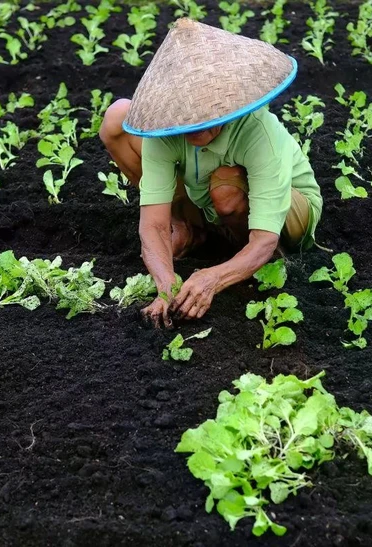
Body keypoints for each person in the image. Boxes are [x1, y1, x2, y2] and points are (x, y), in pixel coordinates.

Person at [99, 18, 322, 328]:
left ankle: (253, 264)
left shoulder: (258, 131)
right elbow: (152, 226)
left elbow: (264, 239)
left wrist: (213, 278)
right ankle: (196, 231)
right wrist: (166, 286)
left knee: (224, 188)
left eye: (203, 117)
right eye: (184, 116)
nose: (193, 127)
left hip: (288, 215)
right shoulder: (166, 129)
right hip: (205, 199)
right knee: (118, 116)